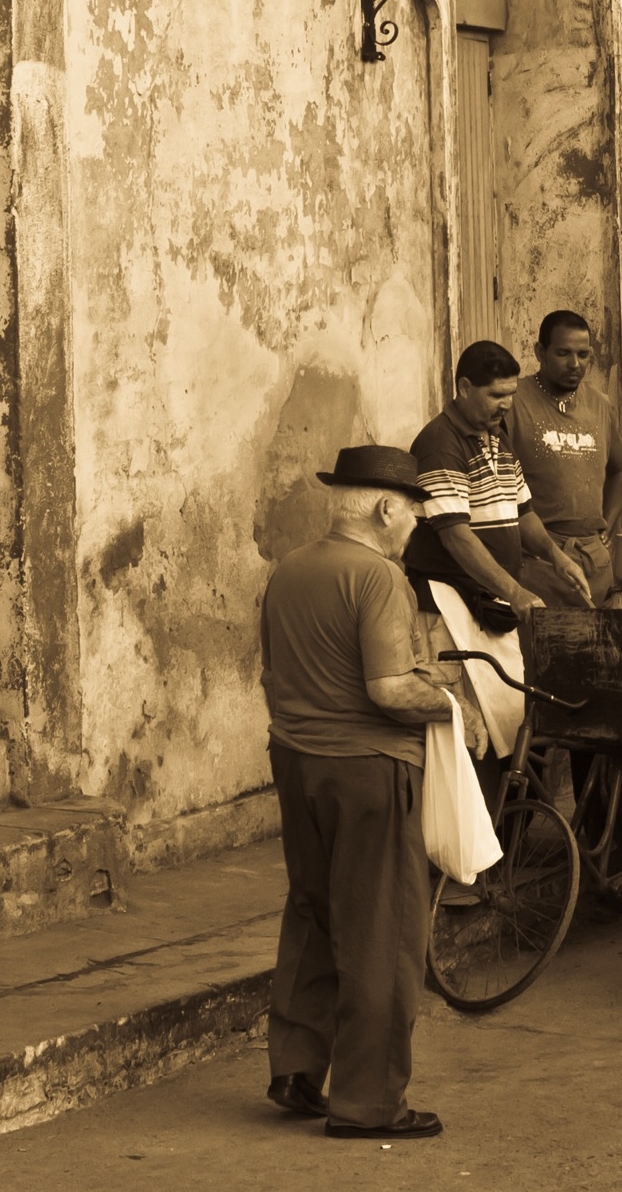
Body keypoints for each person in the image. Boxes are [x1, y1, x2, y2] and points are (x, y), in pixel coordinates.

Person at [260, 445, 462, 1140]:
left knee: (312, 910)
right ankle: (368, 1103)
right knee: (382, 932)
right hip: (368, 770)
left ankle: (295, 1065)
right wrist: (453, 706)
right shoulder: (378, 578)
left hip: (296, 761)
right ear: (383, 508)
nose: (414, 529)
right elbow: (388, 690)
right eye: (412, 515)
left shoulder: (291, 570)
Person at [403, 341, 592, 625]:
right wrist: (515, 592)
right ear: (464, 388)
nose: (506, 404)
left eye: (511, 394)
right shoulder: (440, 443)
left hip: (488, 602)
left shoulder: (497, 436)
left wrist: (557, 558)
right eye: (495, 395)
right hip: (448, 607)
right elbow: (456, 537)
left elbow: (523, 513)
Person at [505, 310, 622, 607]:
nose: (575, 364)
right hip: (538, 560)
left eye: (583, 355)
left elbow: (620, 470)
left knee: (590, 650)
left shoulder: (600, 404)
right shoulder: (513, 401)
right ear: (540, 352)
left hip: (593, 562)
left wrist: (606, 527)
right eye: (563, 353)